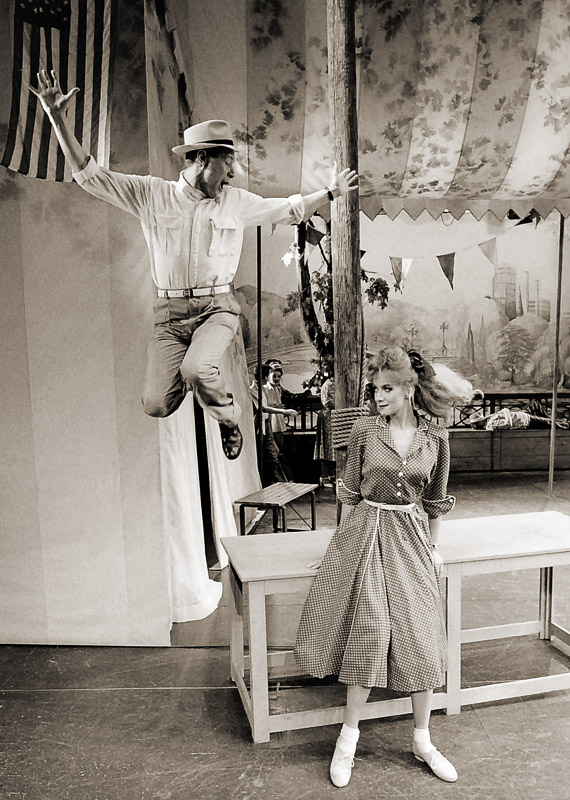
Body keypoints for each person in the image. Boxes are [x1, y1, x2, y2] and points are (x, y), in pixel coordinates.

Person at [30, 69, 358, 459]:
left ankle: (229, 415)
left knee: (197, 369)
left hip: (217, 310)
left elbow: (288, 209)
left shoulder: (236, 202)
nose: (233, 173)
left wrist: (331, 193)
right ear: (202, 159)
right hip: (169, 316)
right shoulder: (152, 194)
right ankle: (196, 380)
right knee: (156, 403)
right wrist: (56, 117)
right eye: (227, 162)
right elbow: (90, 176)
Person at [294, 346, 473, 787]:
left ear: (409, 388)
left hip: (411, 540)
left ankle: (422, 741)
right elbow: (350, 495)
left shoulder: (436, 438)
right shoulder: (364, 431)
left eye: (387, 389)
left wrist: (434, 550)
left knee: (422, 638)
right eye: (375, 389)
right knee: (369, 633)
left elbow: (435, 502)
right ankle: (347, 741)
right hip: (367, 535)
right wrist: (340, 547)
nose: (378, 396)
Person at [250, 364, 298, 485]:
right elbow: (263, 408)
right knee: (265, 456)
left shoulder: (262, 389)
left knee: (273, 455)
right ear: (266, 376)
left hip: (267, 425)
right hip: (259, 427)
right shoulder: (253, 390)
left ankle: (282, 484)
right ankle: (274, 483)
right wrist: (283, 411)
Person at [314, 374, 336, 488]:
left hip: (335, 416)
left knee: (334, 447)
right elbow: (328, 402)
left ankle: (333, 475)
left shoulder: (337, 384)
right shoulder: (328, 385)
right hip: (328, 416)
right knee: (326, 446)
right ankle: (324, 476)